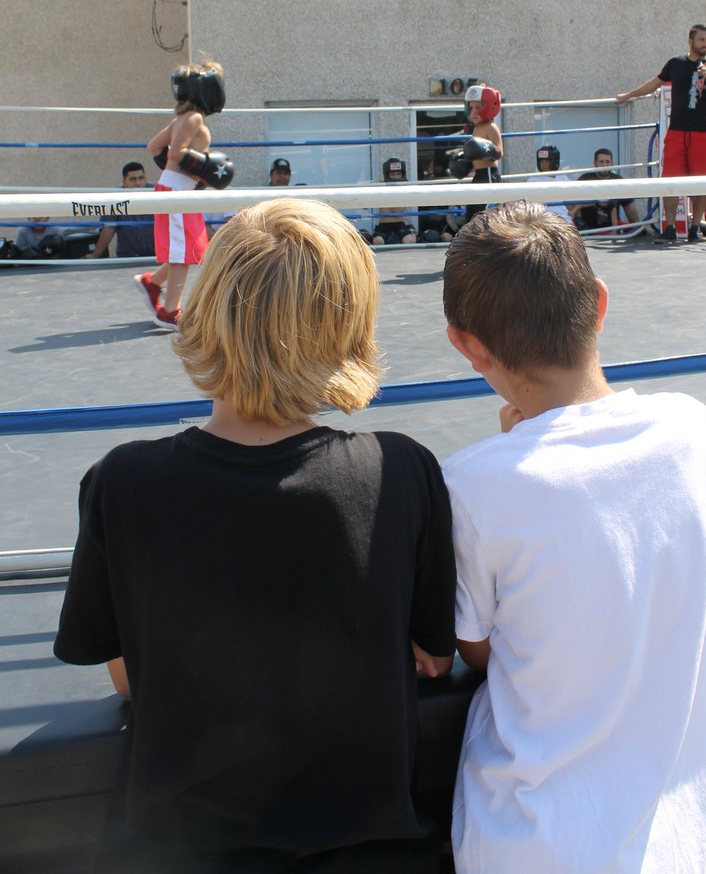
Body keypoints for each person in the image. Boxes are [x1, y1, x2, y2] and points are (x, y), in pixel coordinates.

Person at [54, 198, 456, 874]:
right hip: (373, 852)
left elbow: (127, 676)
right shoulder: (401, 471)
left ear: (206, 309)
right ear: (348, 323)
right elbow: (432, 657)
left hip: (174, 854)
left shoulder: (123, 482)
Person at [441, 201, 706, 874]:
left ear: (467, 344)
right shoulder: (695, 431)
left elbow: (481, 649)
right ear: (599, 304)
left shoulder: (470, 487)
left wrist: (512, 454)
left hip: (531, 845)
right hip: (685, 839)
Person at [616, 24, 706, 242]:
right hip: (677, 131)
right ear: (690, 41)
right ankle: (670, 229)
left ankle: (695, 228)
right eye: (701, 40)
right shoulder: (676, 63)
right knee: (670, 179)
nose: (705, 45)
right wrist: (628, 95)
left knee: (702, 181)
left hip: (703, 133)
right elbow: (654, 83)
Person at [133, 62, 233, 331]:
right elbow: (176, 152)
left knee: (187, 248)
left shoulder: (180, 118)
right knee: (182, 253)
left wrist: (190, 173)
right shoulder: (194, 118)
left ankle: (152, 283)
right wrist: (205, 167)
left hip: (177, 188)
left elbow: (154, 147)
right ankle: (169, 312)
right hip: (176, 191)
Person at [84, 162, 155, 259]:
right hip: (127, 257)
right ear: (124, 181)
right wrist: (95, 254)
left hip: (156, 256)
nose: (138, 183)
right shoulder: (116, 197)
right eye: (133, 179)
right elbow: (109, 228)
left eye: (141, 178)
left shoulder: (156, 193)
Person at [571, 147, 641, 233]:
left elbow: (629, 207)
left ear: (612, 163)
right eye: (601, 162)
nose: (604, 165)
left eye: (607, 162)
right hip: (589, 230)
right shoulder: (585, 179)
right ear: (595, 163)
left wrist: (637, 229)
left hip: (612, 227)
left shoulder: (618, 180)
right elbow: (574, 204)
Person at [462, 84, 502, 225]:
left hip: (489, 175)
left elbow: (498, 151)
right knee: (472, 214)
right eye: (471, 107)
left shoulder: (491, 127)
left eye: (478, 107)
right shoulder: (476, 128)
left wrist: (483, 149)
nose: (473, 112)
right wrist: (464, 161)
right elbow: (474, 155)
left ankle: (490, 245)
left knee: (486, 217)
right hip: (478, 175)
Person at [372, 157, 418, 244]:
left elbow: (397, 210)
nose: (396, 177)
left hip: (399, 223)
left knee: (409, 240)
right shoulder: (380, 187)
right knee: (378, 241)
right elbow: (364, 206)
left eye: (398, 174)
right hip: (383, 225)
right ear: (387, 175)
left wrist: (387, 191)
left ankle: (412, 232)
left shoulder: (404, 189)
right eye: (392, 175)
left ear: (402, 175)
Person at [526, 144, 574, 224]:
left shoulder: (563, 178)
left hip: (563, 218)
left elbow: (569, 203)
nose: (544, 165)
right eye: (541, 161)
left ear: (554, 161)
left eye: (547, 161)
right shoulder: (533, 180)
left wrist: (572, 212)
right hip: (543, 219)